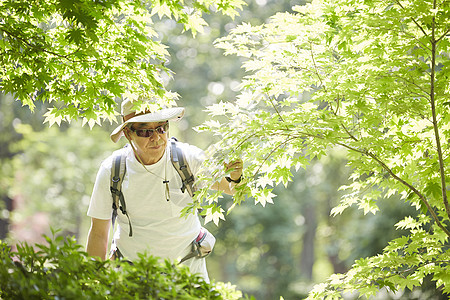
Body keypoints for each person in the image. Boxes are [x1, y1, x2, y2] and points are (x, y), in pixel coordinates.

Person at [85, 98, 243, 282]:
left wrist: (236, 176)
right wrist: (91, 283)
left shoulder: (187, 159)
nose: (157, 138)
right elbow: (98, 233)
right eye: (145, 131)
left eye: (161, 128)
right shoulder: (113, 170)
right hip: (133, 275)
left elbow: (232, 189)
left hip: (189, 271)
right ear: (128, 133)